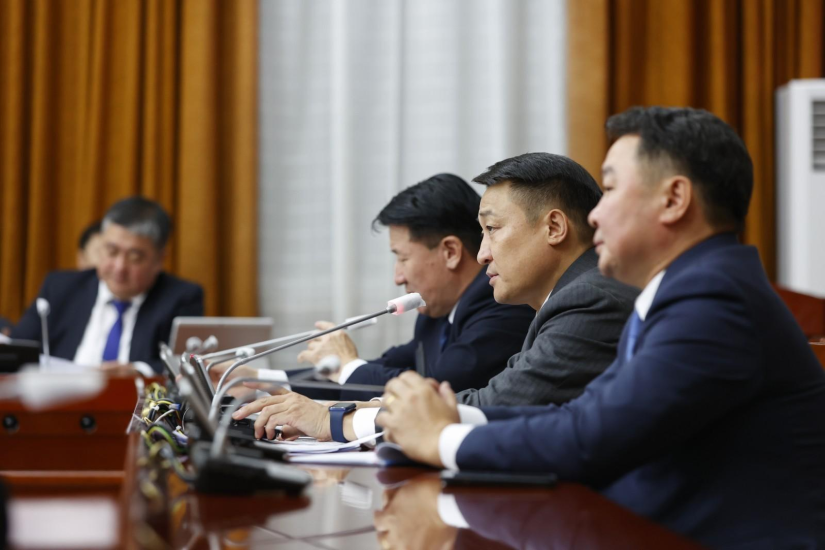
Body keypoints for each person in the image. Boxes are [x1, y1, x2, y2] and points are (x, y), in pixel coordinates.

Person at [377, 107, 825, 547]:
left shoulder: (715, 300)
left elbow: (590, 437)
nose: (593, 216)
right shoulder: (685, 291)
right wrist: (450, 418)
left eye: (610, 190)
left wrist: (441, 438)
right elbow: (582, 415)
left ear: (673, 200)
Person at [231, 154, 637, 443]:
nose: (483, 254)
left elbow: (494, 404)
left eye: (493, 230)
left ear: (554, 228)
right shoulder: (564, 298)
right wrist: (328, 409)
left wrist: (336, 422)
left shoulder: (588, 299)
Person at [213, 174, 535, 401]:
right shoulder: (436, 312)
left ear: (450, 252)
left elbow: (433, 389)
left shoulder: (502, 304)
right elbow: (383, 369)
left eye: (403, 258)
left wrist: (347, 365)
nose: (398, 277)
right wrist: (259, 380)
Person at [12, 196, 204, 375]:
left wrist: (139, 371)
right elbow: (16, 350)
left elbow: (186, 364)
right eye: (111, 252)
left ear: (159, 260)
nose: (119, 267)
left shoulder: (181, 298)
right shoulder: (61, 288)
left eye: (135, 257)